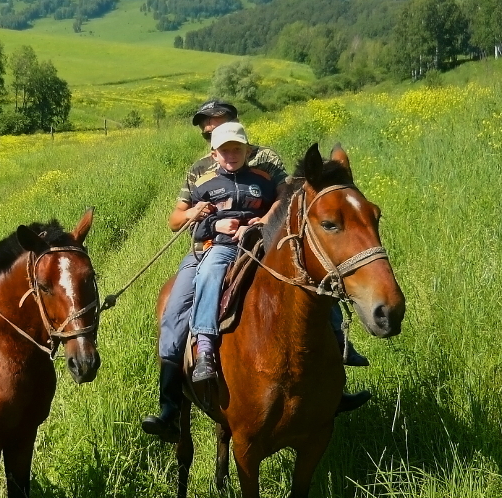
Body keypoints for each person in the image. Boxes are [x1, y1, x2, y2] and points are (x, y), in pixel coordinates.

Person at [141, 101, 370, 443]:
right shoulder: (200, 170)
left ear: (237, 130)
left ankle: (338, 358)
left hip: (264, 242)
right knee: (174, 311)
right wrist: (196, 215)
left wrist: (264, 221)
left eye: (218, 124)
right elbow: (176, 217)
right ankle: (170, 402)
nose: (210, 131)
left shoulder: (265, 162)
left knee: (314, 278)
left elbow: (288, 196)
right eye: (207, 128)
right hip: (211, 246)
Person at [188, 122, 277, 382]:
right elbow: (197, 225)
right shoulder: (205, 184)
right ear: (214, 154)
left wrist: (258, 224)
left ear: (247, 151)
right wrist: (216, 224)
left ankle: (337, 339)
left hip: (261, 244)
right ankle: (205, 350)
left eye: (237, 149)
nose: (231, 155)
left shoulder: (264, 180)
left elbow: (275, 211)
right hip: (223, 247)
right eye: (225, 151)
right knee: (208, 273)